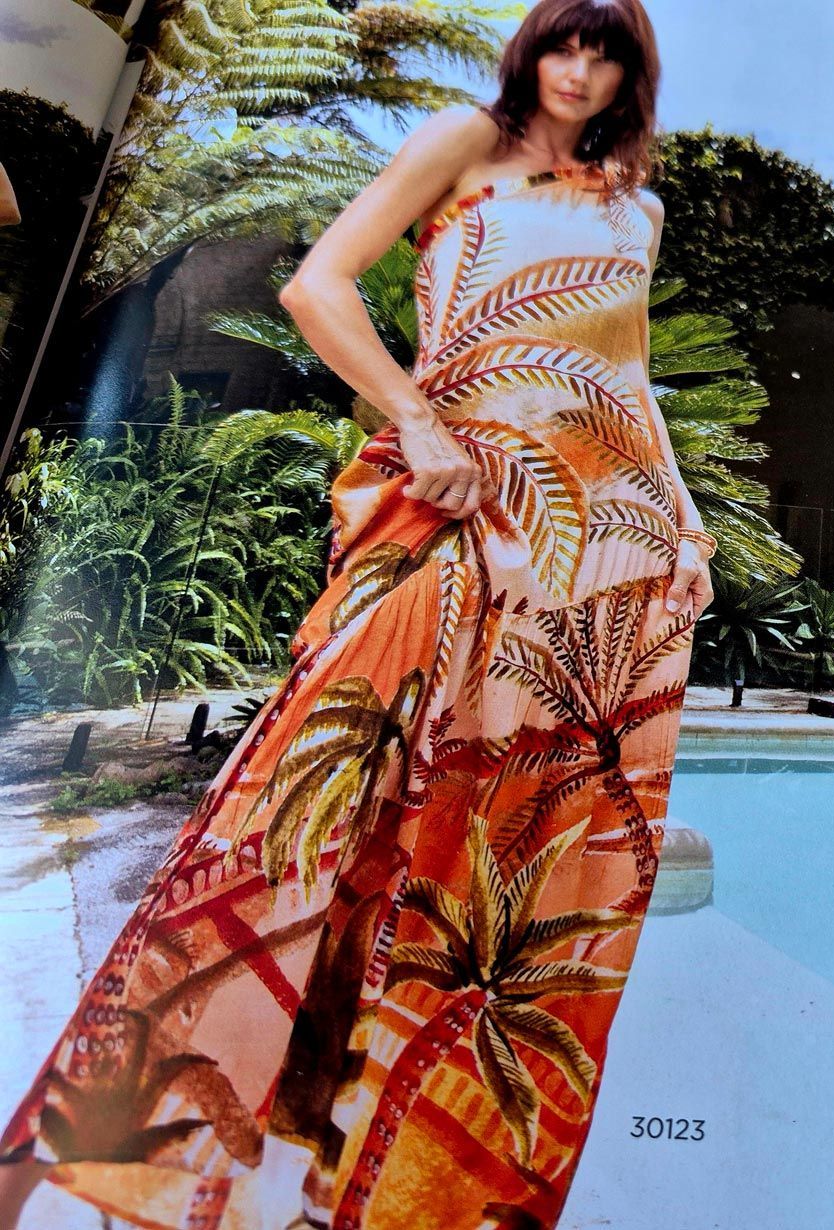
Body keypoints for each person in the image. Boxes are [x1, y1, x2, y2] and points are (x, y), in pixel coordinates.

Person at [0, 0, 712, 1226]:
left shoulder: (633, 207)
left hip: (595, 543)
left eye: (608, 54)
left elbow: (624, 379)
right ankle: (112, 1123)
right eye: (564, 42)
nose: (579, 71)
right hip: (447, 511)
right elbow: (319, 287)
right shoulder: (460, 147)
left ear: (633, 77)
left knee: (510, 827)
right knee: (306, 785)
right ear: (531, 50)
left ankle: (378, 1162)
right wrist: (418, 417)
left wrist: (683, 520)